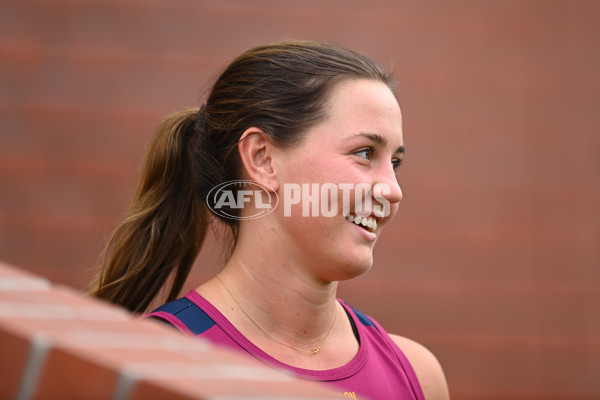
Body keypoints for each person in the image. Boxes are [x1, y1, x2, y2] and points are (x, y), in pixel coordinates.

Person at [88, 40, 449, 399]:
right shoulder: (156, 366)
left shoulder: (415, 374)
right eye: (365, 152)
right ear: (262, 158)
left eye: (395, 162)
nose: (393, 190)